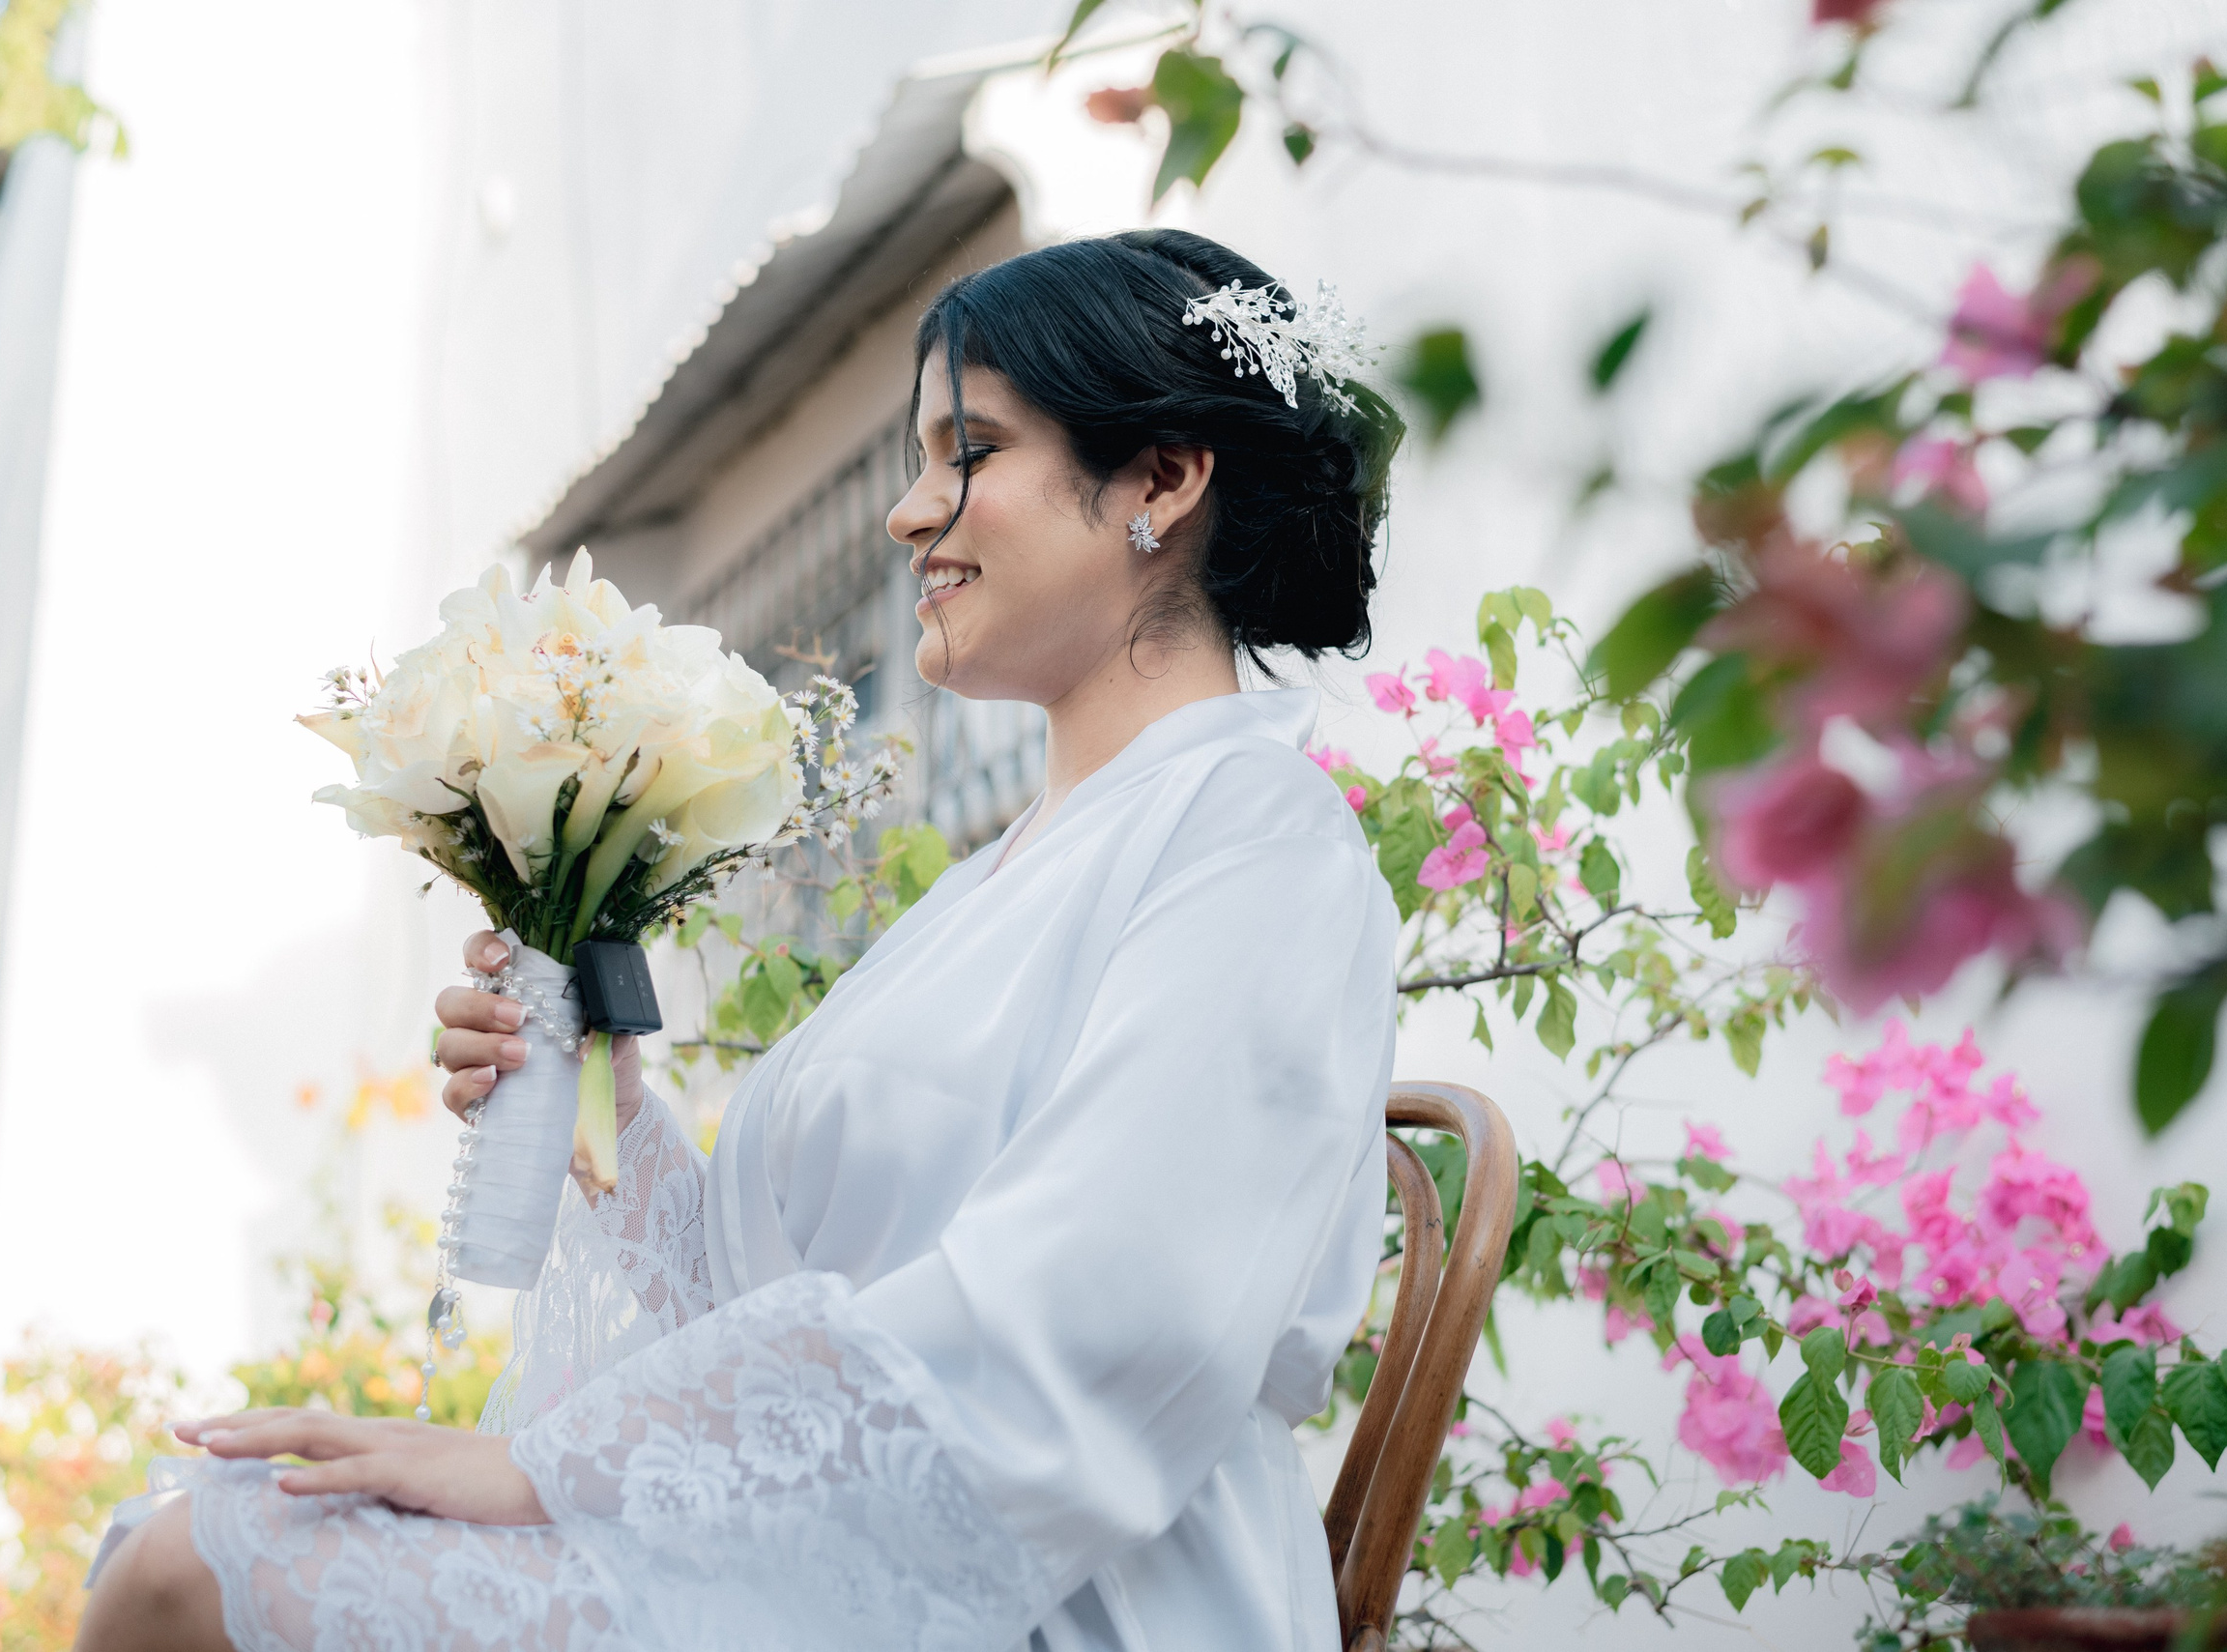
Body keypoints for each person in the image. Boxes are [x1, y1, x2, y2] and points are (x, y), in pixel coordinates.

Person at [75, 228, 1407, 1652]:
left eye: (970, 449)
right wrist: (603, 1098)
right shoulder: (989, 888)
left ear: (1161, 476)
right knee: (192, 1531)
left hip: (1058, 1592)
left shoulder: (1259, 841)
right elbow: (760, 1302)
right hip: (829, 1554)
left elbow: (1099, 1321)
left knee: (193, 1574)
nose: (909, 512)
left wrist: (541, 1472)